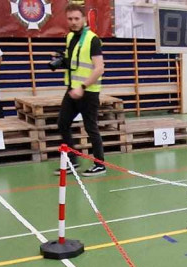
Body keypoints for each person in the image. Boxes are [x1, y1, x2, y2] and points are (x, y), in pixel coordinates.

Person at [53, 4, 107, 176]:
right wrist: (61, 61)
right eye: (70, 19)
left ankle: (100, 164)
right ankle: (72, 161)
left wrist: (83, 87)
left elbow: (99, 68)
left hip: (88, 91)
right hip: (73, 89)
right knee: (63, 123)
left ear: (84, 19)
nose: (74, 22)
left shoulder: (93, 39)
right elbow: (74, 62)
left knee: (91, 127)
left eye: (77, 18)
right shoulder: (70, 37)